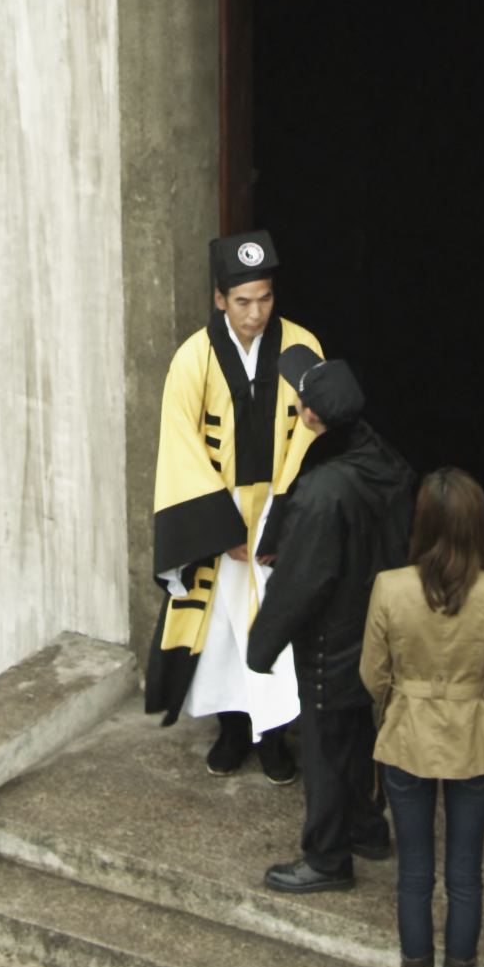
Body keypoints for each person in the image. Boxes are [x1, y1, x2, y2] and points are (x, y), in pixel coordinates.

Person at [146, 231, 323, 778]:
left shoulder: (301, 346)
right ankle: (232, 730)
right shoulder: (193, 357)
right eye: (243, 301)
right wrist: (218, 528)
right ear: (220, 299)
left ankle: (274, 736)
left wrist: (283, 524)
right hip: (219, 513)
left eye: (265, 298)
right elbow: (179, 440)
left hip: (278, 506)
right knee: (221, 628)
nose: (255, 313)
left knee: (278, 624)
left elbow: (315, 433)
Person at [244, 358, 414, 893]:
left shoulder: (326, 491)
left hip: (332, 637)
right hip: (375, 627)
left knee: (322, 745)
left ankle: (326, 857)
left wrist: (261, 645)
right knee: (356, 732)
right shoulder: (383, 459)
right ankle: (366, 828)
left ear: (311, 415)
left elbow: (304, 580)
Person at [362, 467, 484, 967]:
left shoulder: (390, 586)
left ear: (421, 520)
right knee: (465, 877)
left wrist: (405, 699)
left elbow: (372, 673)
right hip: (473, 739)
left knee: (413, 875)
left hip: (407, 737)